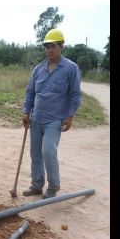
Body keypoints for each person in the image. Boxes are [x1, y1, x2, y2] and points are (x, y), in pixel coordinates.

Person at [21, 28, 81, 198]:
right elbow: (31, 92)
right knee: (35, 154)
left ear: (61, 46)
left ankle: (53, 186)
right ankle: (37, 185)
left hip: (54, 120)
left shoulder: (71, 68)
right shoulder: (38, 69)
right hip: (36, 119)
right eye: (46, 47)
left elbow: (75, 95)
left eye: (53, 46)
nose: (49, 50)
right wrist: (26, 112)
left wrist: (69, 116)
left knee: (48, 151)